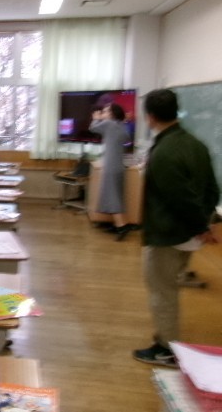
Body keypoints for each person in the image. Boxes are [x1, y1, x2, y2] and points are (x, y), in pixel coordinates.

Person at [133, 89, 220, 366]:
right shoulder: (195, 144)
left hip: (169, 234)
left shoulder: (164, 152)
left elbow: (180, 198)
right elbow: (212, 190)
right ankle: (166, 343)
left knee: (162, 291)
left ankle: (166, 349)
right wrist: (205, 223)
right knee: (168, 286)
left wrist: (201, 226)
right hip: (189, 233)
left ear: (150, 117)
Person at [89, 104, 131, 240]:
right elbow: (126, 139)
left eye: (105, 111)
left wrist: (96, 118)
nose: (103, 113)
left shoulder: (108, 124)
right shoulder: (122, 125)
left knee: (112, 197)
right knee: (116, 196)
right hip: (118, 166)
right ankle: (117, 224)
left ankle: (121, 226)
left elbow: (93, 128)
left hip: (110, 166)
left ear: (112, 114)